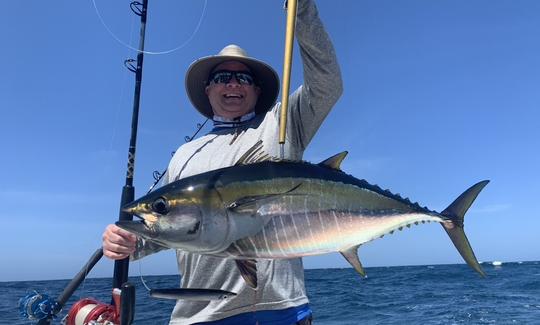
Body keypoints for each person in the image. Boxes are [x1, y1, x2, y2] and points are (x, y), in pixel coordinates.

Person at [102, 0, 342, 323]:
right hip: (198, 315)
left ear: (257, 91)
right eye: (223, 76)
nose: (232, 84)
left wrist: (301, 11)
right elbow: (172, 225)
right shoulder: (184, 157)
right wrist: (130, 242)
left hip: (282, 312)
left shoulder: (282, 125)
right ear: (208, 88)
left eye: (243, 79)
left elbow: (328, 85)